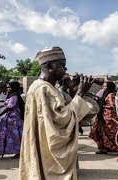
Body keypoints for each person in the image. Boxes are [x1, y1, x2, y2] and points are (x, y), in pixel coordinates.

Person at [19, 47, 92, 179]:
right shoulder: (44, 89)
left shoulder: (41, 86)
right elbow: (63, 121)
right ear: (49, 66)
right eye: (62, 65)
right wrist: (80, 94)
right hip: (48, 153)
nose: (65, 69)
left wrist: (74, 93)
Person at [0, 80, 25, 159]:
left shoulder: (15, 95)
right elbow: (8, 104)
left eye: (9, 87)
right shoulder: (11, 94)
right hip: (8, 118)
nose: (8, 88)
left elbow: (10, 107)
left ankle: (18, 152)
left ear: (13, 87)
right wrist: (3, 106)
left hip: (14, 119)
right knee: (2, 135)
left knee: (14, 136)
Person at [89, 81, 118, 154]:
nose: (104, 88)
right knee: (99, 131)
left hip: (109, 117)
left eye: (105, 86)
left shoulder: (111, 94)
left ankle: (116, 148)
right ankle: (103, 148)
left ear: (109, 87)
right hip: (102, 115)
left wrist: (102, 105)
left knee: (110, 133)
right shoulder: (104, 93)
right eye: (103, 86)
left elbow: (112, 106)